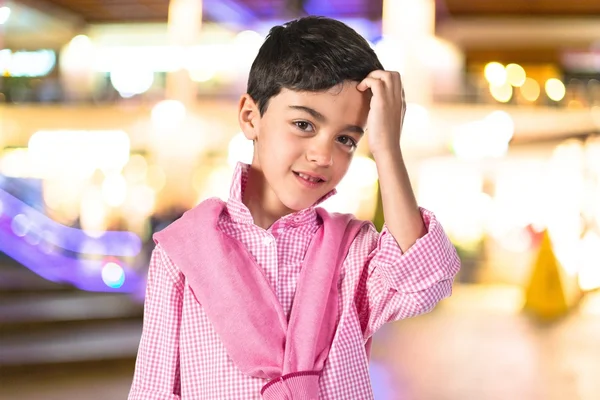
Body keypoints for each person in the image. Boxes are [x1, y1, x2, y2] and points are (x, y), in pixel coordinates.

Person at [128, 16, 460, 400]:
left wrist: (387, 149)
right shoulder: (184, 250)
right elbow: (155, 390)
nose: (322, 154)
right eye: (304, 124)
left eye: (346, 140)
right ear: (251, 117)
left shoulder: (352, 253)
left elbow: (424, 281)